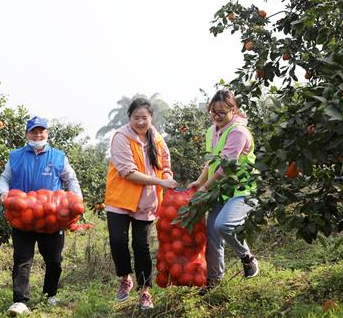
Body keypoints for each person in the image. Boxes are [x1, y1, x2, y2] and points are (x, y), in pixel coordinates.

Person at [0, 116, 83, 316]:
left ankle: (50, 294)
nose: (38, 135)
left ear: (47, 133)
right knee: (22, 259)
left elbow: (70, 179)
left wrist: (77, 199)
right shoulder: (16, 156)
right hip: (23, 216)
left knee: (54, 260)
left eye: (41, 131)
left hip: (51, 219)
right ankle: (20, 301)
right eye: (34, 132)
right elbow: (5, 178)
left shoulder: (58, 156)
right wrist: (3, 192)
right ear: (27, 134)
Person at [104, 97, 178, 310]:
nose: (140, 122)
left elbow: (165, 163)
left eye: (144, 118)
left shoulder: (157, 139)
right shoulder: (121, 137)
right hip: (120, 199)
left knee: (141, 246)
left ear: (151, 118)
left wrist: (166, 175)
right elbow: (127, 172)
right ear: (129, 118)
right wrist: (159, 181)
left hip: (146, 202)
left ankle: (145, 291)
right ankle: (125, 277)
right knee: (118, 241)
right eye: (136, 117)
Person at [188, 89, 259, 288]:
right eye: (213, 112)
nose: (217, 116)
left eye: (222, 113)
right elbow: (210, 163)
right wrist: (199, 182)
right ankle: (214, 281)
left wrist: (205, 188)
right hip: (220, 191)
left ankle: (247, 258)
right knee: (212, 236)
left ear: (233, 110)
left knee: (223, 226)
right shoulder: (212, 130)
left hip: (243, 189)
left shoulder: (238, 131)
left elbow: (224, 168)